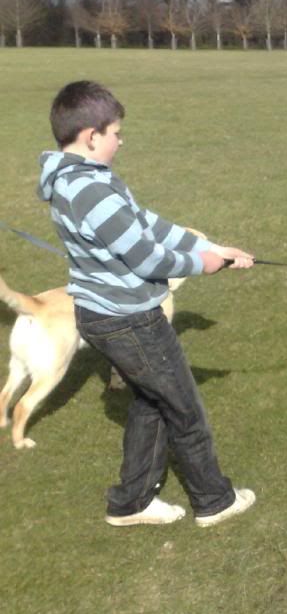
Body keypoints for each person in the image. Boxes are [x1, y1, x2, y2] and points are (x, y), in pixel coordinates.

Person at [39, 80, 258, 527]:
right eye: (116, 132)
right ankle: (214, 500)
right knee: (185, 409)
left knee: (151, 402)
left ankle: (131, 501)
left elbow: (147, 224)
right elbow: (145, 257)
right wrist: (206, 262)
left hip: (105, 314)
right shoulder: (90, 190)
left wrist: (215, 245)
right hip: (128, 319)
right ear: (91, 136)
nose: (121, 140)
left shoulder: (83, 179)